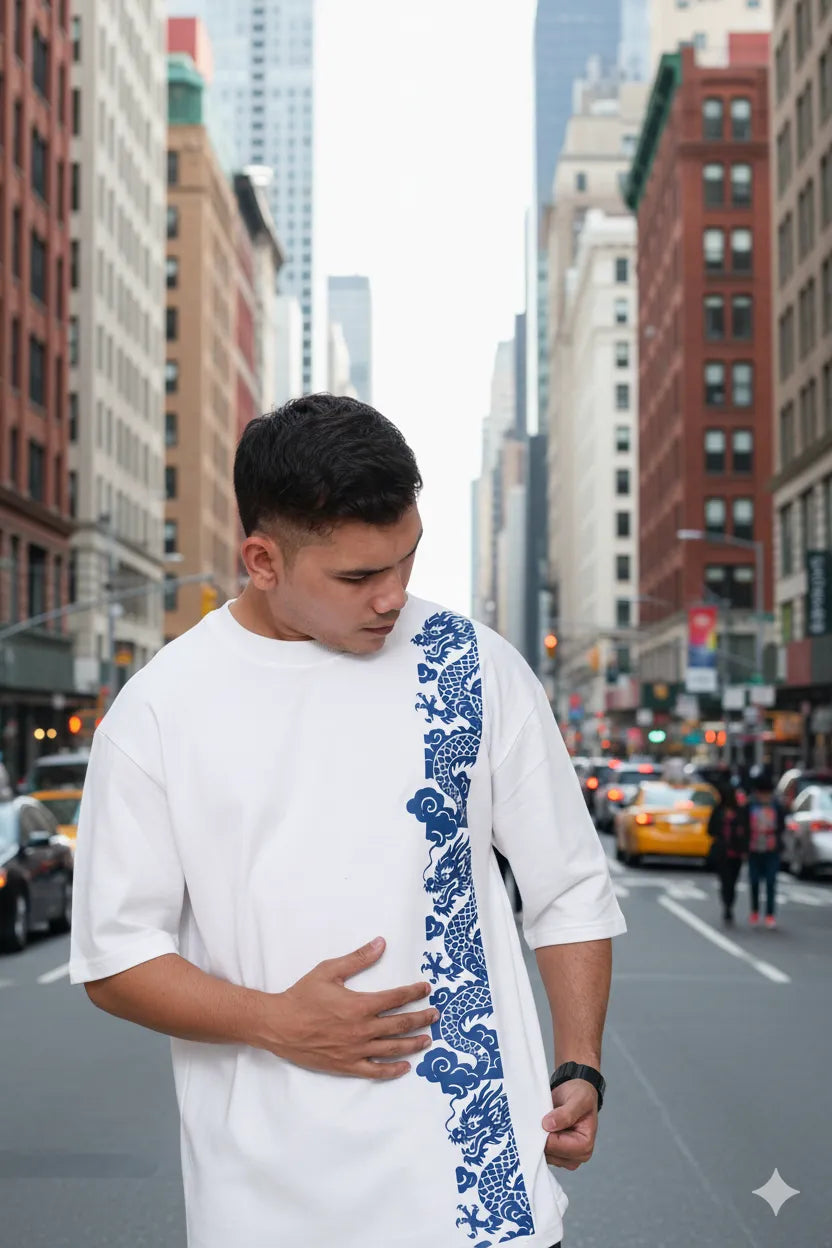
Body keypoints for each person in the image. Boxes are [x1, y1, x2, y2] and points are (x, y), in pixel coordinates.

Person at [69, 395, 626, 1248]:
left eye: (407, 559)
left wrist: (579, 1063)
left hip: (486, 1208)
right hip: (266, 1212)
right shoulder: (160, 711)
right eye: (359, 578)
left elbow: (570, 889)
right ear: (262, 560)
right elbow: (115, 958)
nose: (393, 596)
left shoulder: (473, 667)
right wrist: (274, 1020)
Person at [745, 765, 785, 929]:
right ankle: (755, 910)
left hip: (771, 849)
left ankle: (769, 914)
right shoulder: (750, 805)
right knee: (754, 881)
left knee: (770, 882)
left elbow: (781, 825)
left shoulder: (776, 806)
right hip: (754, 848)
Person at [707, 781, 749, 926]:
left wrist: (744, 848)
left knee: (733, 881)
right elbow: (710, 830)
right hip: (722, 852)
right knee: (726, 881)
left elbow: (746, 831)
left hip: (736, 852)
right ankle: (727, 906)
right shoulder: (718, 811)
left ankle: (729, 904)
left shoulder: (740, 812)